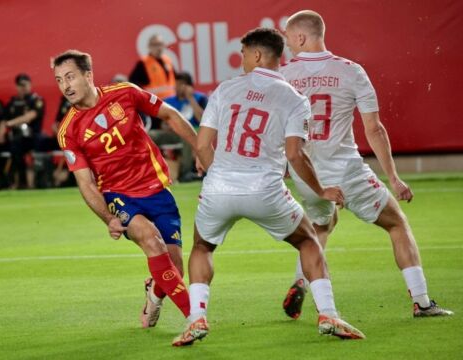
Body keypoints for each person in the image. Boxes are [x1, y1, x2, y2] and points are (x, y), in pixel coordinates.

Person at [173, 28, 365, 346]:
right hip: (266, 191)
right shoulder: (294, 99)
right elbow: (295, 154)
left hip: (219, 188)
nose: (242, 58)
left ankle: (197, 318)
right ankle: (328, 314)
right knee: (308, 242)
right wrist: (321, 190)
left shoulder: (225, 89)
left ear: (258, 55)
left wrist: (215, 173)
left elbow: (203, 146)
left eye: (244, 52)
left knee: (202, 247)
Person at [280, 10, 453, 319]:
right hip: (345, 170)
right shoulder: (351, 71)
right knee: (396, 223)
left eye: (289, 37)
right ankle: (422, 301)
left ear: (301, 37)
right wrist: (394, 178)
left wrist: (281, 167)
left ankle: (299, 282)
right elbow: (374, 129)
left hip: (305, 173)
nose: (287, 44)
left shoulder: (283, 76)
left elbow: (275, 130)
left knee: (321, 225)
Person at [53, 49, 200, 331]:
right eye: (59, 80)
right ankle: (195, 319)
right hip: (118, 195)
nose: (65, 86)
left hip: (156, 188)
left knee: (175, 268)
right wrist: (108, 218)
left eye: (70, 77)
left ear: (88, 75)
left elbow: (169, 115)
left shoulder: (126, 93)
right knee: (151, 240)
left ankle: (154, 298)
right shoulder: (68, 130)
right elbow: (85, 182)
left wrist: (199, 148)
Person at [0, 73, 45, 189]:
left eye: (25, 85)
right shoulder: (12, 102)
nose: (23, 87)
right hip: (16, 138)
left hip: (33, 137)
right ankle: (6, 181)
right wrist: (0, 132)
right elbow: (3, 119)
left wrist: (9, 123)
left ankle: (31, 182)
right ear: (16, 86)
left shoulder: (36, 100)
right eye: (20, 85)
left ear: (30, 85)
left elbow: (30, 116)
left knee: (22, 145)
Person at [163, 71, 208, 181]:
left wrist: (190, 98)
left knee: (186, 135)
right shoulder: (169, 101)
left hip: (194, 132)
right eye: (176, 84)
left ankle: (186, 173)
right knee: (150, 135)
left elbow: (203, 120)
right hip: (172, 133)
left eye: (181, 84)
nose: (177, 87)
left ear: (188, 86)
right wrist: (168, 125)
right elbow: (162, 123)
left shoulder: (200, 98)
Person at [129, 34, 176, 99]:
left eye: (160, 44)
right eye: (155, 45)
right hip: (155, 102)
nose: (158, 47)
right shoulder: (143, 63)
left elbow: (175, 79)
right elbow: (133, 81)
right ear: (149, 46)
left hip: (172, 100)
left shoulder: (168, 60)